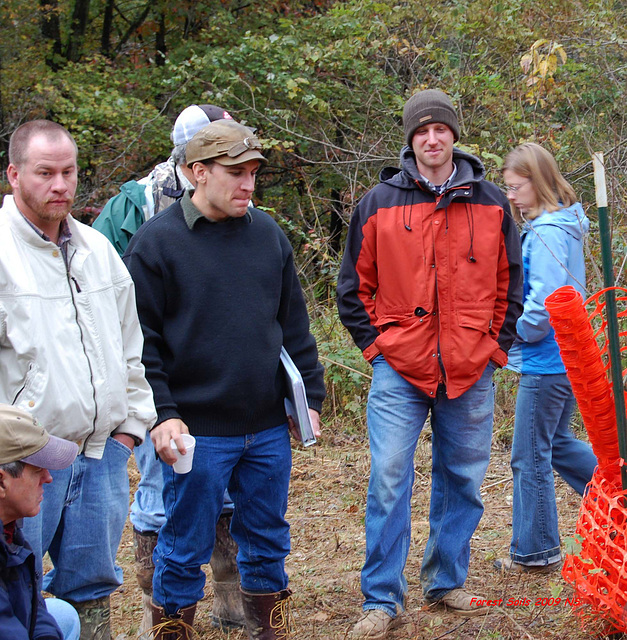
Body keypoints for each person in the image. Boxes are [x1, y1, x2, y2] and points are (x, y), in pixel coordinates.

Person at [123, 119, 326, 639]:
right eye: (236, 173)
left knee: (268, 540)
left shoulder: (267, 235)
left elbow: (293, 327)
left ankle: (269, 632)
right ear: (198, 173)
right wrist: (164, 415)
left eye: (253, 172)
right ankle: (172, 634)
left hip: (265, 427)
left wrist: (311, 395)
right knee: (184, 544)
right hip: (196, 430)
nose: (248, 184)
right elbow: (140, 346)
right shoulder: (156, 245)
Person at [337, 89, 523, 637]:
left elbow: (510, 283)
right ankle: (381, 599)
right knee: (389, 479)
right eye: (422, 131)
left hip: (471, 365)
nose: (432, 139)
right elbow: (353, 288)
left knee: (462, 478)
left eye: (440, 129)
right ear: (410, 139)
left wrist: (495, 347)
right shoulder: (378, 202)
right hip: (400, 367)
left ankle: (445, 580)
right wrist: (378, 349)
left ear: (454, 135)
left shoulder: (491, 202)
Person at [0, 120, 157, 640]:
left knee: (91, 585)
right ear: (14, 174)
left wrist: (130, 429)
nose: (60, 185)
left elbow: (131, 346)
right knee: (15, 577)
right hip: (23, 461)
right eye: (45, 173)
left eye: (68, 172)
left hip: (100, 454)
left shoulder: (97, 250)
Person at [94, 104, 246, 632]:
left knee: (223, 489)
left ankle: (230, 596)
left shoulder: (235, 196)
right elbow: (99, 290)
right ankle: (155, 609)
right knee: (160, 493)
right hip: (154, 375)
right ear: (191, 155)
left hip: (222, 380)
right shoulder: (131, 206)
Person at [494, 142, 597, 574]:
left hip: (548, 360)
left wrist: (510, 335)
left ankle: (536, 553)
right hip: (566, 356)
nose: (511, 197)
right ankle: (618, 492)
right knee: (555, 445)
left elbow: (547, 303)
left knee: (529, 455)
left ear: (537, 182)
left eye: (516, 188)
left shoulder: (549, 231)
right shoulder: (562, 224)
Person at [0, 404, 81, 640]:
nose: (48, 477)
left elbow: (35, 608)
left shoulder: (9, 527)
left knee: (61, 614)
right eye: (37, 470)